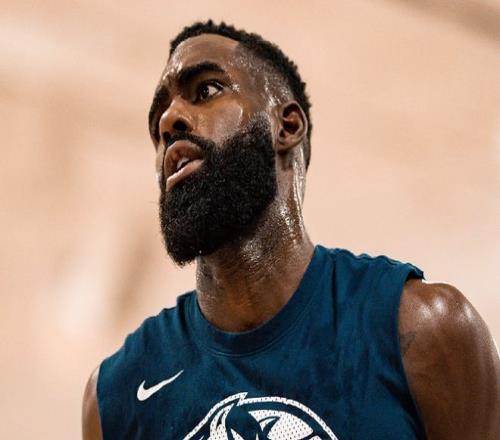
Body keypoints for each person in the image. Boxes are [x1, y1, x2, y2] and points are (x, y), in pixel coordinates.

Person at [82, 21, 499, 439]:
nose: (169, 121)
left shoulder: (425, 331)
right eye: (157, 121)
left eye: (206, 90)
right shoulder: (116, 397)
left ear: (287, 126)